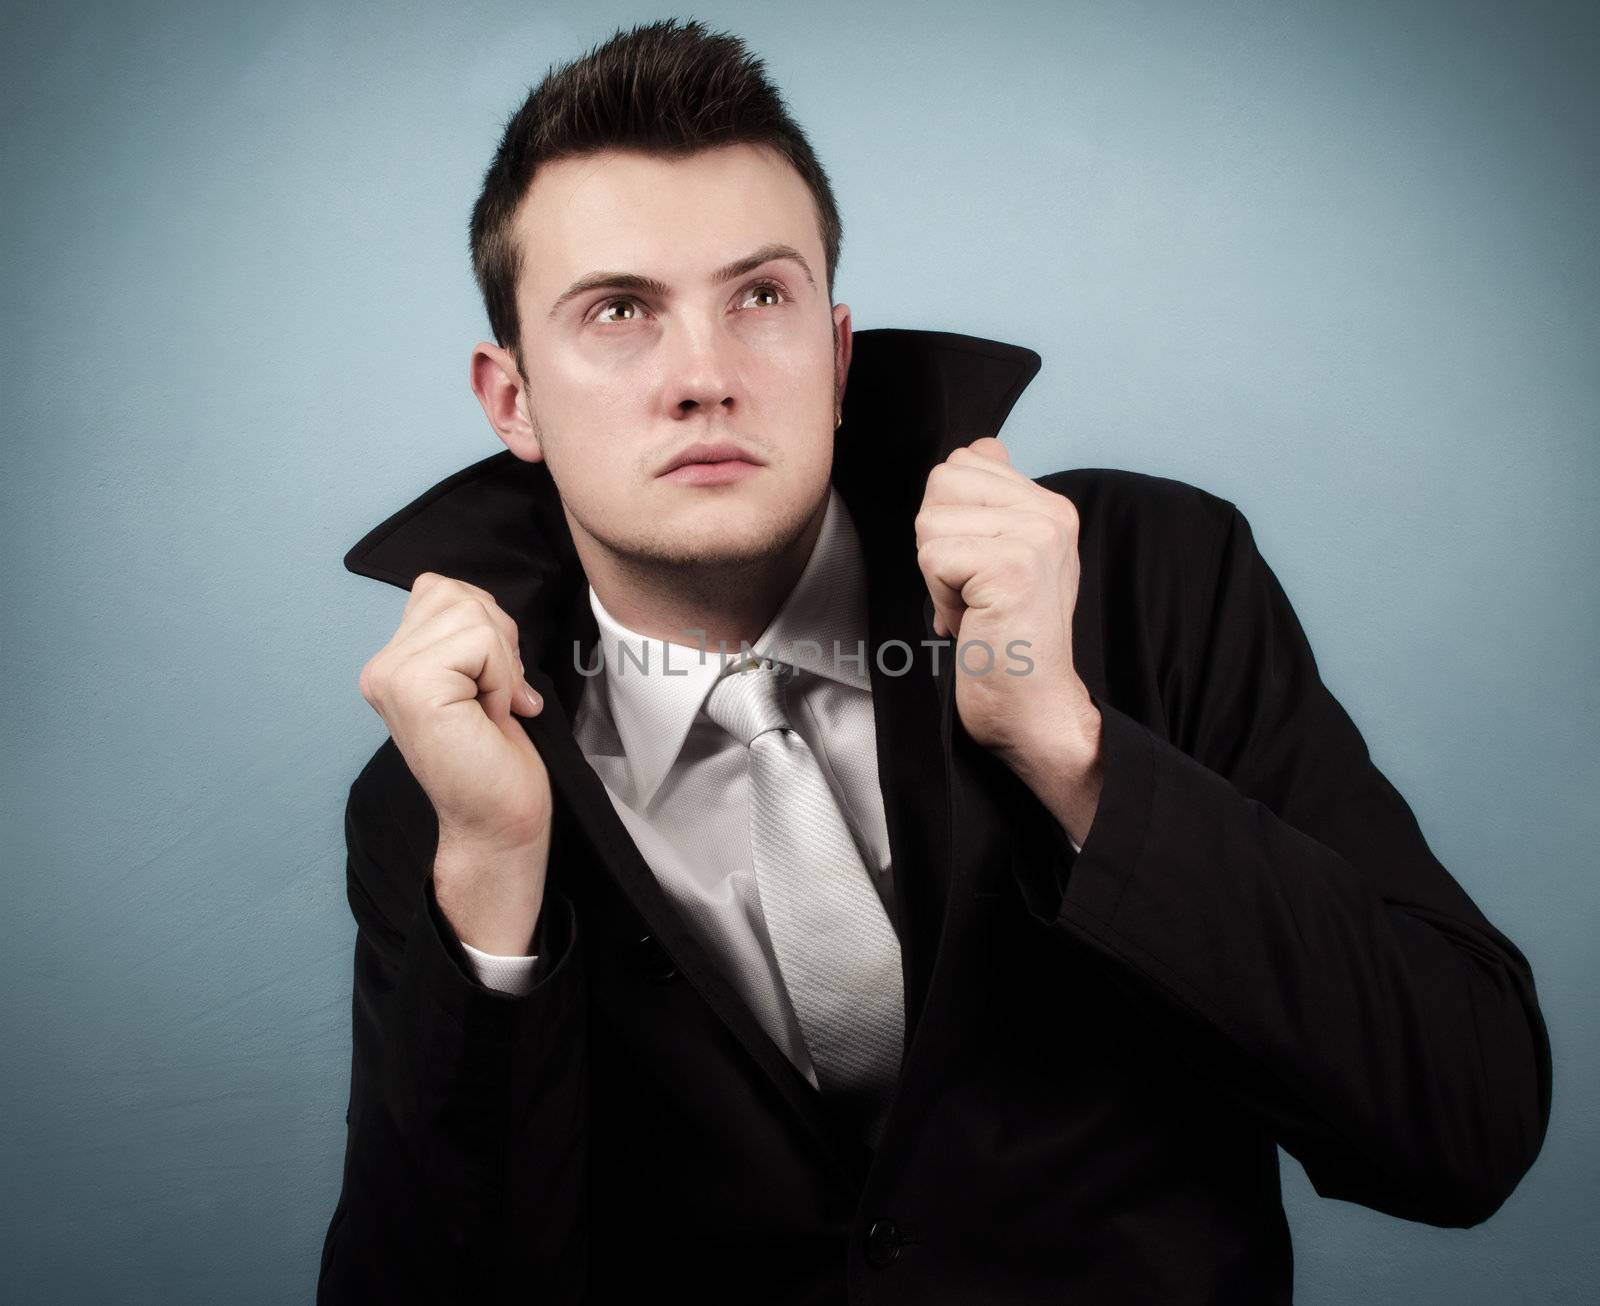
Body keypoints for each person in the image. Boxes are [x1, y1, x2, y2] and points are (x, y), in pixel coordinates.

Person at [317, 17, 1551, 1305]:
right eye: (619, 311)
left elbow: (1465, 1128)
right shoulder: (445, 793)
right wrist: (494, 879)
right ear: (509, 398)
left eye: (761, 297)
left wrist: (1074, 751)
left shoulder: (1148, 578)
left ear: (838, 355)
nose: (704, 376)